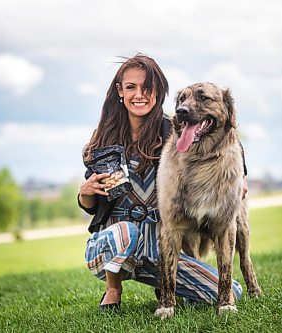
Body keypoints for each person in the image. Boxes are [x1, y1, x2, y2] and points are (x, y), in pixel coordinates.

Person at [78, 54, 244, 310]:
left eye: (147, 87)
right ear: (120, 91)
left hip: (159, 245)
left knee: (231, 292)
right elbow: (92, 204)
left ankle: (161, 280)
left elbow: (223, 136)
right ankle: (113, 288)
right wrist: (85, 192)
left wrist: (241, 176)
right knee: (125, 233)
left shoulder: (174, 129)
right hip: (115, 245)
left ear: (158, 91)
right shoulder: (103, 138)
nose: (139, 94)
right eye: (131, 87)